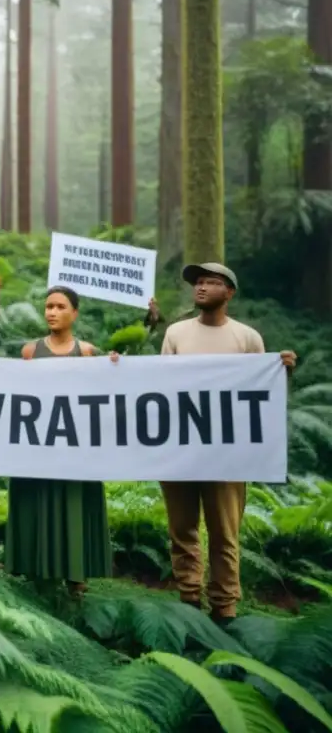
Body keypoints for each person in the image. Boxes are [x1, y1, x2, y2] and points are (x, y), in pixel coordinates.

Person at [158, 262, 296, 626]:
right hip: (182, 448)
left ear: (229, 292)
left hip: (228, 454)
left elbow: (262, 395)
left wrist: (282, 371)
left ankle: (225, 608)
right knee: (182, 528)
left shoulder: (247, 338)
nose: (201, 288)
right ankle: (189, 597)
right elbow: (158, 387)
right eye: (198, 283)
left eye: (211, 282)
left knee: (224, 532)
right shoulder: (175, 333)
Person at [6, 286, 118, 599]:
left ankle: (76, 577)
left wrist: (113, 367)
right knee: (39, 501)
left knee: (73, 505)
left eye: (59, 306)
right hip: (39, 446)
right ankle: (39, 571)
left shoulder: (87, 351)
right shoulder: (29, 352)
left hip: (75, 447)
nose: (52, 312)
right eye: (48, 307)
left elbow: (103, 395)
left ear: (74, 313)